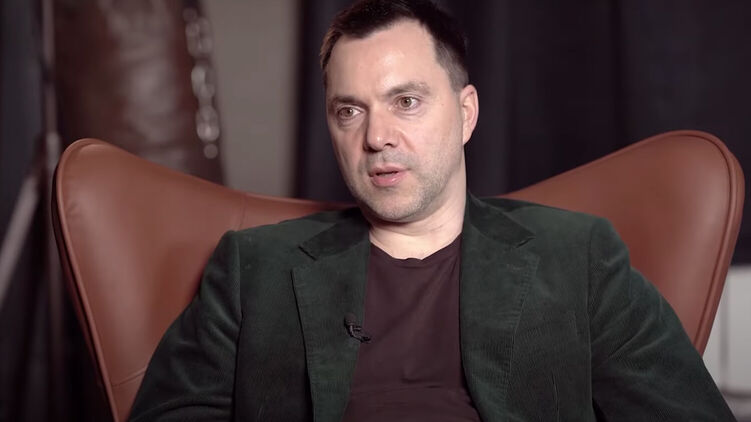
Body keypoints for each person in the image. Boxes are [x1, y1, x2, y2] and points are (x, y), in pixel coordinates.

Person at [130, 0, 735, 420]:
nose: (376, 137)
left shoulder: (579, 258)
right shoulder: (253, 267)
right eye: (350, 111)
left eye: (407, 102)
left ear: (466, 113)